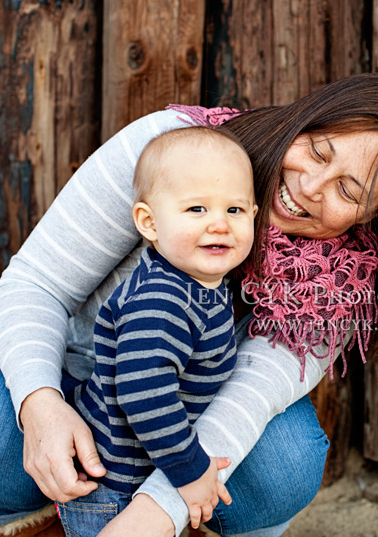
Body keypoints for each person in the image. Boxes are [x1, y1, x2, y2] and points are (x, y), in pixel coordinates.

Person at [0, 73, 378, 537]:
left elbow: (249, 398)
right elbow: (38, 283)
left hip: (193, 423)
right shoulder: (172, 148)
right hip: (79, 377)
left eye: (347, 190)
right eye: (318, 151)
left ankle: (185, 524)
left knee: (285, 464)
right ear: (303, 119)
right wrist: (40, 404)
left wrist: (158, 512)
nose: (309, 188)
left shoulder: (342, 281)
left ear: (372, 217)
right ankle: (35, 524)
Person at [55, 126, 259, 536]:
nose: (219, 224)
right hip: (114, 482)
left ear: (254, 215)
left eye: (234, 211)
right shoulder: (162, 301)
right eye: (196, 209)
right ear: (149, 222)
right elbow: (144, 394)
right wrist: (191, 470)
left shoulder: (201, 281)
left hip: (146, 463)